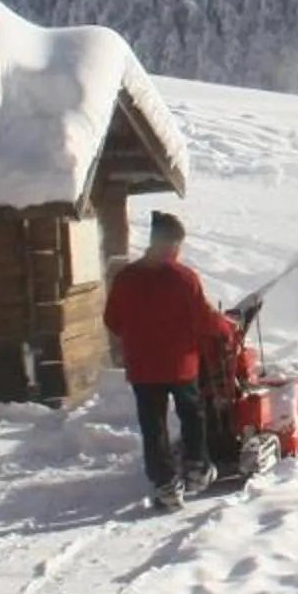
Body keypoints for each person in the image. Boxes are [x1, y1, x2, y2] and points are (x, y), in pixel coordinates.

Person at [102, 210, 232, 510]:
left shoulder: (126, 279)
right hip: (180, 366)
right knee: (192, 412)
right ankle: (197, 466)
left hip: (143, 368)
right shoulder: (184, 279)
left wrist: (136, 335)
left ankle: (165, 485)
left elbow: (113, 320)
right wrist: (226, 327)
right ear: (172, 244)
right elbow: (204, 320)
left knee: (153, 425)